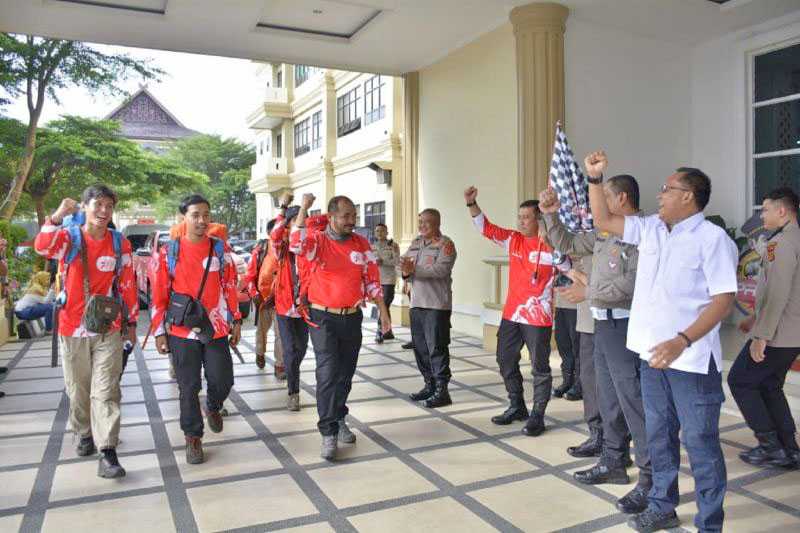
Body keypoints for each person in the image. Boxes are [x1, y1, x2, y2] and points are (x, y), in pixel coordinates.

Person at [586, 151, 737, 533]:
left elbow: (723, 299)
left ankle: (710, 523)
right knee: (658, 436)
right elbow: (603, 219)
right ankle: (662, 505)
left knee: (701, 445)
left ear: (689, 196)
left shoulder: (712, 239)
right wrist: (595, 179)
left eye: (668, 189)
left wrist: (682, 340)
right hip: (651, 359)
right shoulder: (651, 228)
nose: (660, 194)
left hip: (691, 363)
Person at [541, 174, 651, 515]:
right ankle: (614, 460)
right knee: (608, 396)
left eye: (602, 197)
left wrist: (588, 292)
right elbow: (569, 244)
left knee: (633, 401)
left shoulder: (642, 233)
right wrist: (550, 214)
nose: (596, 204)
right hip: (603, 324)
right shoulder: (605, 232)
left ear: (621, 199)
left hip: (625, 325)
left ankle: (650, 478)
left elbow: (632, 285)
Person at [34, 185, 138, 478]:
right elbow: (42, 246)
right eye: (98, 205)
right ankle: (82, 432)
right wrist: (56, 216)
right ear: (84, 206)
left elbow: (128, 284)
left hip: (108, 328)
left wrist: (130, 324)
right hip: (72, 327)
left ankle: (108, 452)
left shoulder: (120, 244)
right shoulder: (69, 238)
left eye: (109, 206)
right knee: (79, 390)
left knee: (106, 391)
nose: (104, 211)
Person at [290, 193, 391, 460]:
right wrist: (303, 208)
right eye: (346, 216)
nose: (352, 221)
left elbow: (372, 280)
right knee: (328, 372)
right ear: (332, 216)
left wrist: (383, 310)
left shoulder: (361, 244)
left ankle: (338, 416)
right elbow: (296, 243)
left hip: (352, 316)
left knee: (345, 372)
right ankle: (328, 432)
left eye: (354, 216)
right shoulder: (318, 241)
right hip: (323, 318)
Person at [465, 186, 567, 434]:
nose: (521, 222)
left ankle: (537, 415)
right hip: (512, 314)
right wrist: (472, 204)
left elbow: (569, 269)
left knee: (539, 367)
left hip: (538, 317)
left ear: (539, 219)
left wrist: (552, 247)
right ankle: (517, 405)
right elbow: (485, 228)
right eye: (519, 217)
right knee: (505, 359)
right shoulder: (514, 240)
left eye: (526, 217)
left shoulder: (554, 245)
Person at [149, 194, 242, 465]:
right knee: (188, 387)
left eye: (206, 214)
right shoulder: (169, 252)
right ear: (183, 218)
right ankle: (193, 438)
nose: (202, 220)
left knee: (223, 379)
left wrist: (236, 319)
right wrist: (159, 332)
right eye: (195, 215)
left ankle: (213, 405)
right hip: (181, 330)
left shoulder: (220, 249)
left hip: (215, 327)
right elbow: (159, 294)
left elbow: (229, 286)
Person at [728, 187, 800, 469]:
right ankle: (789, 448)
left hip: (779, 333)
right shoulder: (792, 237)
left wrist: (761, 335)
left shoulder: (780, 243)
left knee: (740, 380)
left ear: (782, 211)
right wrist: (755, 320)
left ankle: (771, 446)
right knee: (770, 385)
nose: (762, 216)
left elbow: (777, 292)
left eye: (766, 210)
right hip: (792, 331)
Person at [271, 193, 329, 411]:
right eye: (294, 223)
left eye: (301, 223)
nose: (298, 227)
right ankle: (293, 392)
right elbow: (275, 235)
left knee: (301, 348)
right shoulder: (282, 249)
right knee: (290, 350)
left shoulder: (311, 248)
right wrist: (284, 207)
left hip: (305, 306)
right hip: (285, 306)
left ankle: (292, 369)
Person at [402, 208, 457, 409]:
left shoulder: (445, 244)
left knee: (437, 348)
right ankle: (429, 384)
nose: (421, 226)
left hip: (436, 306)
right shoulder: (416, 243)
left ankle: (442, 390)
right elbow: (404, 263)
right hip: (416, 303)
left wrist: (413, 270)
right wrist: (405, 273)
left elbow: (442, 270)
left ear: (437, 224)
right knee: (421, 348)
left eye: (426, 222)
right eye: (419, 222)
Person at [245, 222, 285, 377]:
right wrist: (254, 293)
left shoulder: (288, 248)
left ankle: (279, 365)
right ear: (270, 232)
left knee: (280, 333)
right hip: (262, 298)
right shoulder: (261, 249)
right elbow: (250, 275)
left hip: (282, 300)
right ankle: (259, 352)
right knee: (262, 331)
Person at [553, 279, 581, 400]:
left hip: (576, 303)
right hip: (560, 302)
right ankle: (567, 380)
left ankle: (580, 384)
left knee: (577, 346)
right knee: (562, 343)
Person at [372, 223, 400, 343]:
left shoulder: (393, 245)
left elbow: (397, 261)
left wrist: (383, 261)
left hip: (388, 280)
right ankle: (388, 332)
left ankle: (380, 331)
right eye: (377, 231)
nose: (379, 233)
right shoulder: (371, 247)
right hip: (376, 280)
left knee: (385, 304)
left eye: (382, 231)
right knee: (382, 306)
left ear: (387, 232)